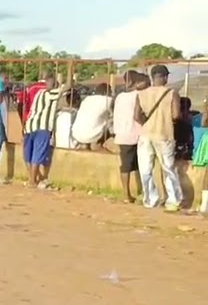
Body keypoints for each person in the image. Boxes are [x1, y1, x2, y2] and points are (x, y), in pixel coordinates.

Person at [134, 64, 182, 212]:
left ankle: (150, 200)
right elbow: (175, 115)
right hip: (164, 134)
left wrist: (148, 125)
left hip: (145, 135)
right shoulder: (171, 93)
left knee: (145, 169)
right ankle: (173, 201)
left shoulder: (141, 94)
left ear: (152, 77)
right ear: (164, 77)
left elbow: (136, 116)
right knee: (168, 168)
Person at [23, 73, 69, 189]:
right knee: (38, 154)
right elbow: (68, 86)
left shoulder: (39, 93)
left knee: (28, 154)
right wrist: (70, 68)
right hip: (42, 126)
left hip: (30, 126)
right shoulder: (50, 93)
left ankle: (32, 179)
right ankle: (33, 180)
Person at [112, 71, 145, 203]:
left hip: (122, 134)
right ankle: (131, 194)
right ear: (137, 83)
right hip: (135, 134)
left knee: (128, 165)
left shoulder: (120, 96)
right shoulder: (140, 95)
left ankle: (129, 193)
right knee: (136, 165)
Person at [70, 84, 112, 150]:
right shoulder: (109, 100)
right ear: (106, 92)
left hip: (75, 134)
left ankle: (86, 146)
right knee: (112, 123)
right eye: (110, 91)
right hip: (91, 136)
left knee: (93, 120)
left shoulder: (87, 99)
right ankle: (100, 145)